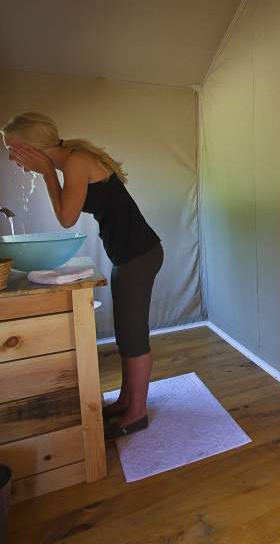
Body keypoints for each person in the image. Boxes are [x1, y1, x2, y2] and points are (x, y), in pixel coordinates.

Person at [2, 113, 163, 440]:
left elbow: (66, 218)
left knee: (133, 336)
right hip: (130, 255)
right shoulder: (73, 160)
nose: (10, 158)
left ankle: (138, 413)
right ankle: (127, 400)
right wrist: (50, 172)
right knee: (125, 333)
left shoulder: (75, 161)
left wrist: (49, 175)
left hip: (139, 256)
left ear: (31, 147)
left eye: (12, 150)